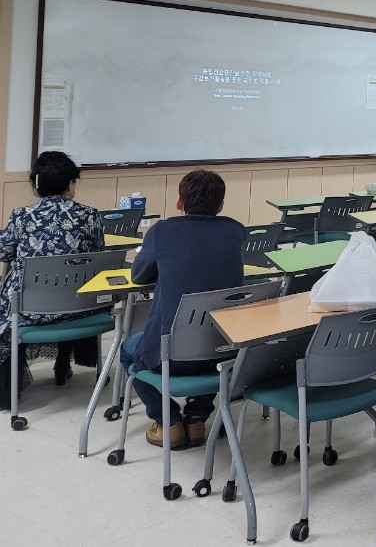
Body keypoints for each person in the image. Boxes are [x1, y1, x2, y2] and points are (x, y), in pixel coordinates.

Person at [120, 170, 245, 448]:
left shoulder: (162, 231)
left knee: (128, 351)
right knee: (210, 346)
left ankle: (168, 422)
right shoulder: (235, 230)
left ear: (179, 202)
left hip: (171, 354)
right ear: (221, 205)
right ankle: (197, 418)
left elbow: (139, 276)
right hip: (225, 350)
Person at [0, 151, 105, 409]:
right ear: (71, 183)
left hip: (30, 310)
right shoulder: (90, 215)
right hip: (80, 308)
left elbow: (4, 252)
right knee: (70, 287)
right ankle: (63, 364)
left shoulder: (22, 216)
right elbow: (98, 255)